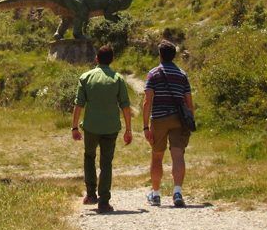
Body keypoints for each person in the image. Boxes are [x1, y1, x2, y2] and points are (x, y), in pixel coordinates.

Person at [71, 45, 133, 213]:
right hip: (111, 127)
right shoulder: (118, 79)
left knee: (89, 156)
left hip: (91, 127)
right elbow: (125, 106)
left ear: (96, 59)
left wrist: (74, 127)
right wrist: (128, 129)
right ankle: (104, 201)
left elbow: (79, 104)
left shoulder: (86, 77)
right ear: (112, 60)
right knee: (106, 163)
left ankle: (91, 194)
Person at [142, 40, 194, 208]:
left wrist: (145, 126)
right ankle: (177, 192)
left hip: (159, 119)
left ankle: (156, 194)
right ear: (174, 56)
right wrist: (190, 121)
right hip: (179, 119)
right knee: (178, 155)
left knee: (157, 156)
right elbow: (189, 103)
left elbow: (147, 101)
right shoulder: (182, 74)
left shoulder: (153, 74)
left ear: (160, 55)